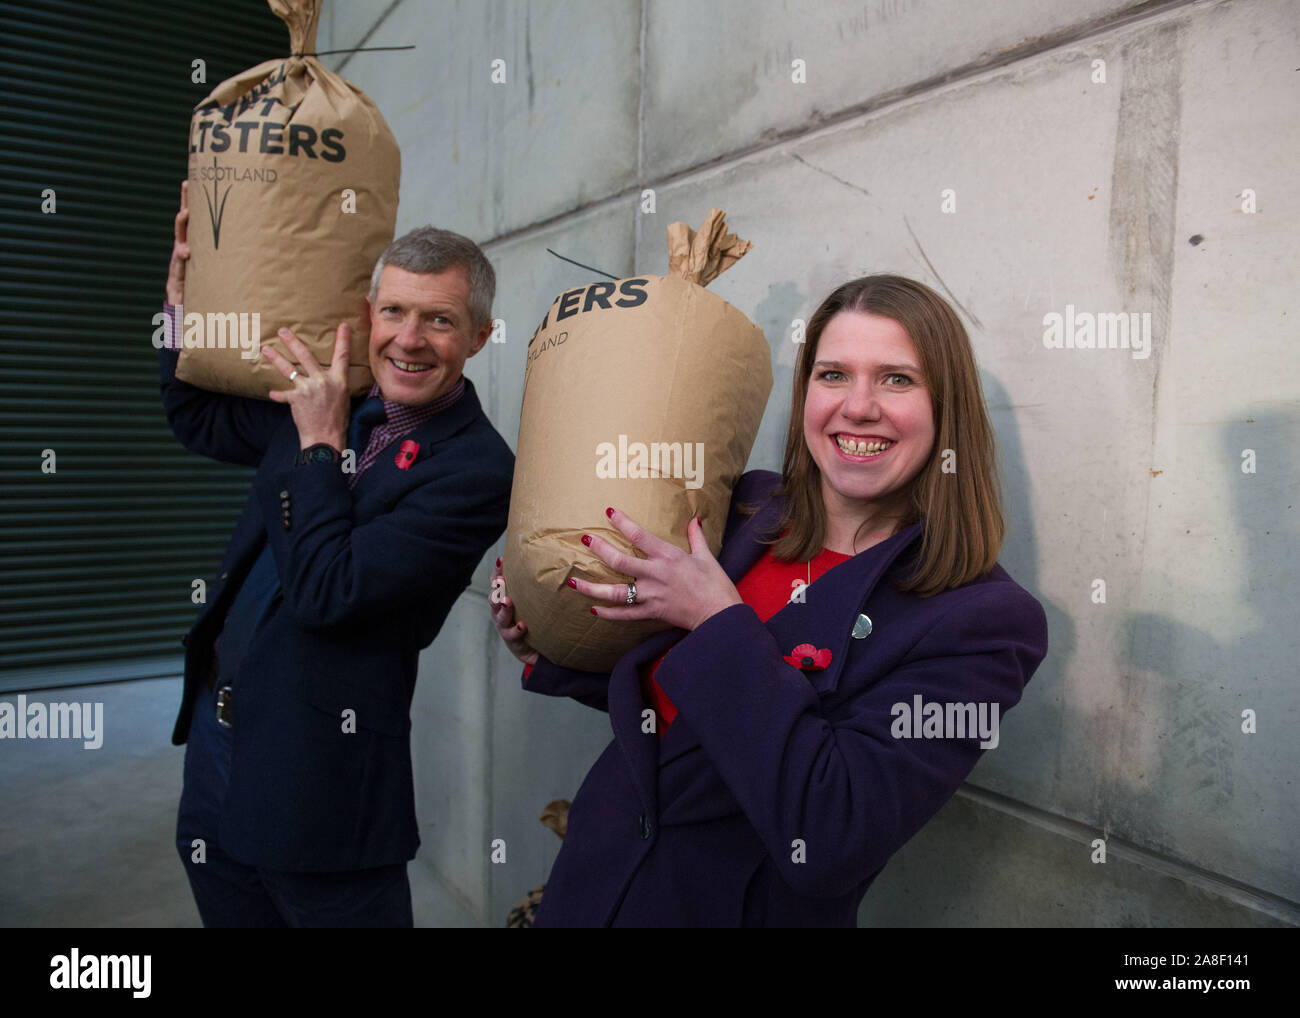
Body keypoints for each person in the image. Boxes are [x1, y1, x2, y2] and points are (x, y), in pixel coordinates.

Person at [490, 274, 1048, 927]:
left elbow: (834, 833)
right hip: (590, 887)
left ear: (945, 406)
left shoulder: (985, 622)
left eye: (897, 379)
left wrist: (717, 621)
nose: (858, 406)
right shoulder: (748, 510)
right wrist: (551, 647)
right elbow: (675, 712)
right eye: (833, 375)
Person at [161, 182, 513, 926]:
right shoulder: (332, 396)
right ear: (369, 313)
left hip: (321, 789)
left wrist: (319, 449)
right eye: (394, 311)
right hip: (219, 750)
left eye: (439, 321)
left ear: (479, 336)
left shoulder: (477, 470)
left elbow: (329, 590)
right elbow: (196, 415)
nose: (409, 339)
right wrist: (183, 309)